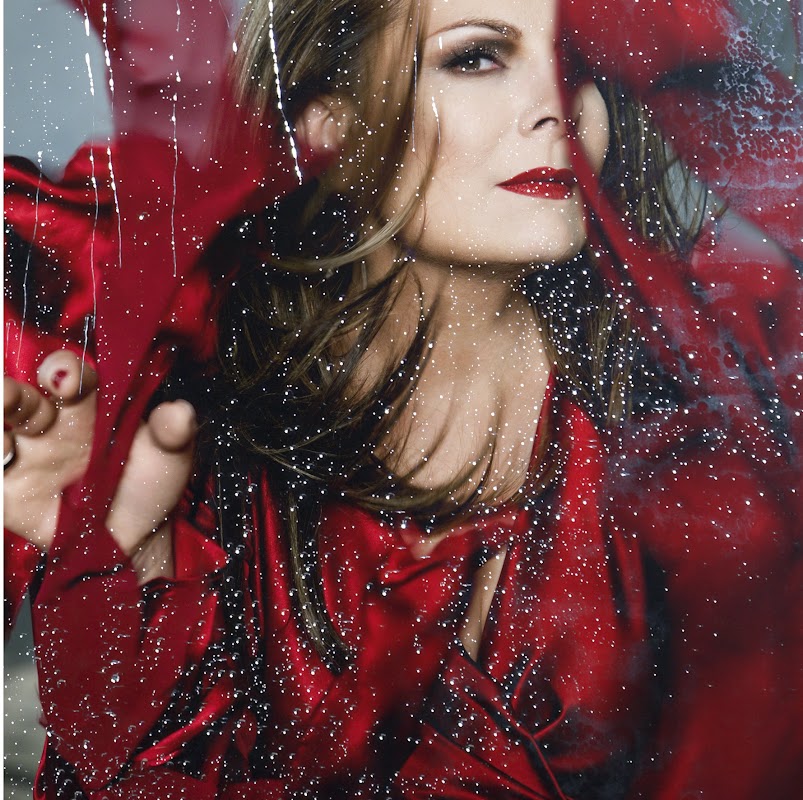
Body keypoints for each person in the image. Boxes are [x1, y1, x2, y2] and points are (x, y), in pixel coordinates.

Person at [4, 0, 801, 797]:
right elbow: (135, 766)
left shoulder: (696, 425)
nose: (556, 106)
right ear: (329, 122)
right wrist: (122, 572)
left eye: (578, 63)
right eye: (476, 57)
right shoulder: (211, 419)